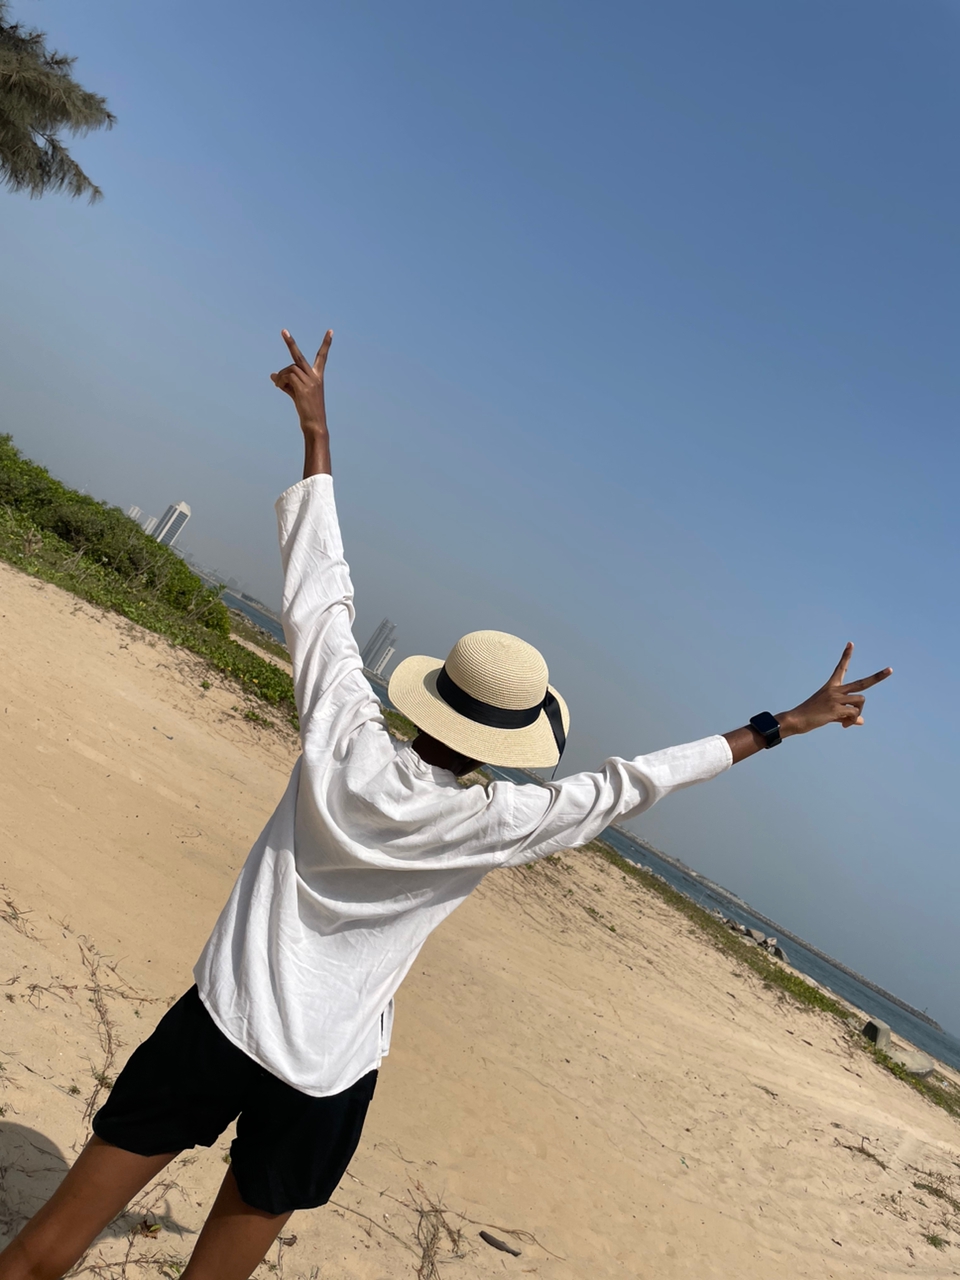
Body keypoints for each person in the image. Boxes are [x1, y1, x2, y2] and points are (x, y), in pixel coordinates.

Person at [0, 331, 892, 1280]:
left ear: (431, 699)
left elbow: (320, 595)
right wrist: (781, 723)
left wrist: (316, 430)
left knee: (40, 1253)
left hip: (220, 1022)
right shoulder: (497, 820)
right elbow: (639, 781)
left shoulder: (342, 735)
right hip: (326, 1075)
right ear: (513, 743)